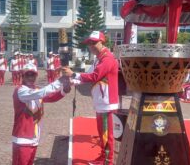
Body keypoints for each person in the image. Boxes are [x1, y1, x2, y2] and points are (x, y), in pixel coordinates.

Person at [62, 31, 119, 165]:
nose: (91, 46)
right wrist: (73, 80)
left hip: (107, 103)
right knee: (101, 133)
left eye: (94, 43)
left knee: (107, 134)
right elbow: (87, 75)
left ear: (102, 42)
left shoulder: (107, 58)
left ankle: (108, 161)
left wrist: (74, 74)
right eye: (89, 43)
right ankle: (103, 157)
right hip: (101, 101)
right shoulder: (98, 59)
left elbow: (95, 76)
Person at [12, 63, 71, 165]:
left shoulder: (36, 89)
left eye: (33, 75)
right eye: (28, 75)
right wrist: (60, 80)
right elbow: (42, 93)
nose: (31, 77)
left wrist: (64, 91)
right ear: (23, 76)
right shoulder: (20, 90)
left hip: (34, 137)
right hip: (22, 139)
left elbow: (50, 97)